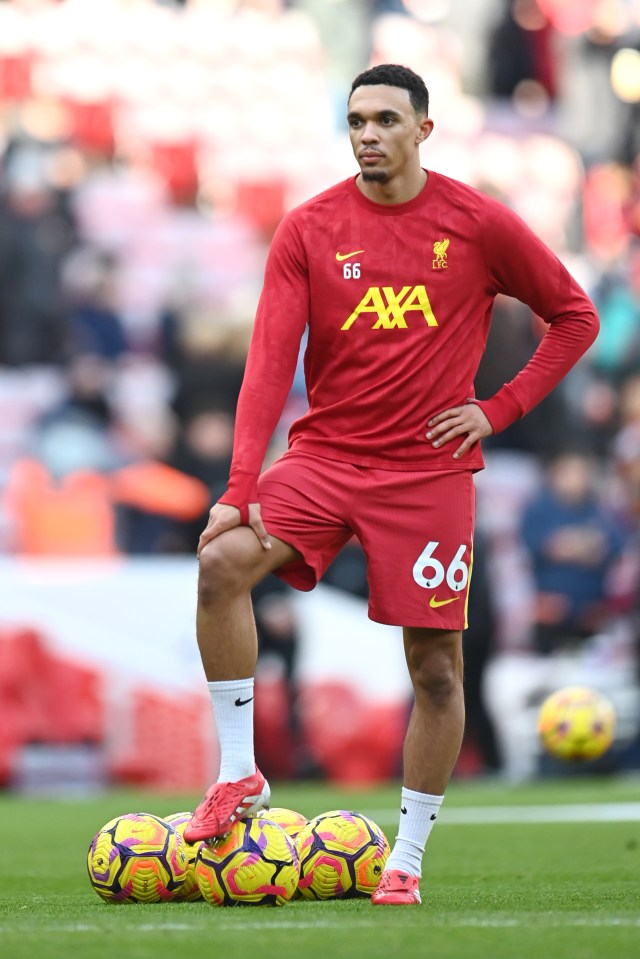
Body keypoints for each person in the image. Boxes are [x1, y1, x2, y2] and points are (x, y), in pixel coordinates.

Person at [183, 63, 599, 905]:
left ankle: (404, 859)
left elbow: (574, 315)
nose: (367, 134)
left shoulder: (476, 223)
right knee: (222, 560)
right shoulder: (308, 227)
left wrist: (499, 407)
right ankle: (240, 773)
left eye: (383, 119)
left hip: (426, 473)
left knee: (437, 670)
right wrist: (238, 482)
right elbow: (268, 363)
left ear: (423, 130)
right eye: (356, 121)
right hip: (328, 457)